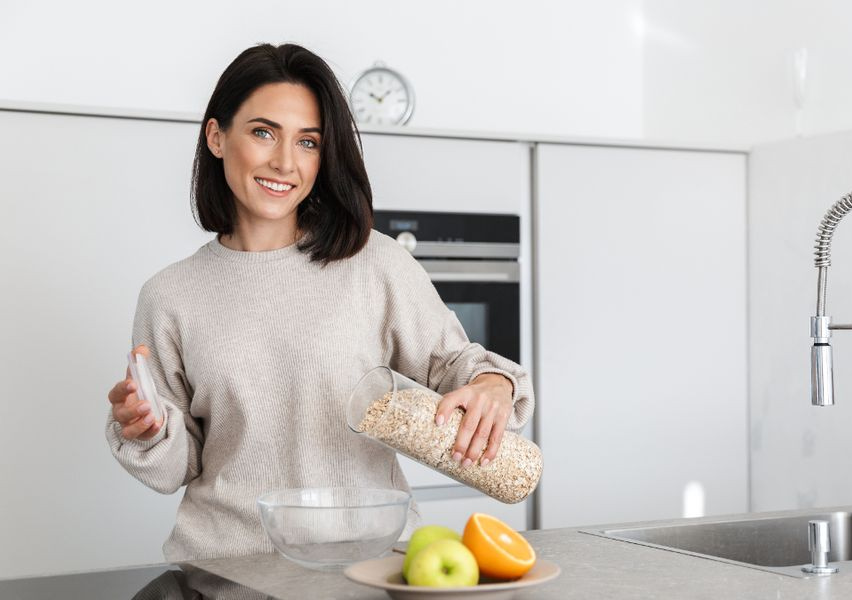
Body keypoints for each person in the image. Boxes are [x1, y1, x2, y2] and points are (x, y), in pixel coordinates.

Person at [105, 43, 535, 563]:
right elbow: (182, 465)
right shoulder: (169, 295)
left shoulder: (374, 263)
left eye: (308, 142)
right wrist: (147, 428)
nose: (284, 162)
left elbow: (456, 367)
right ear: (217, 136)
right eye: (263, 132)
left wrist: (492, 384)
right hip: (224, 573)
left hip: (367, 568)